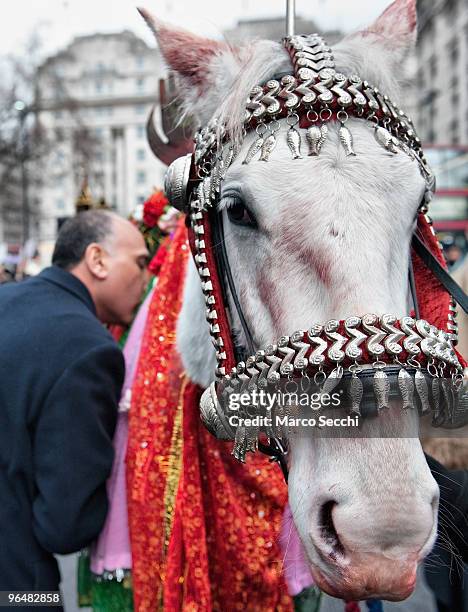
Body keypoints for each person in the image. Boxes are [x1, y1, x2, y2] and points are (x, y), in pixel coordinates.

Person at [0, 210, 149, 608]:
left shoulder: (6, 299)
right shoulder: (89, 349)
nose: (146, 279)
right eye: (139, 263)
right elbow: (64, 526)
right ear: (97, 259)